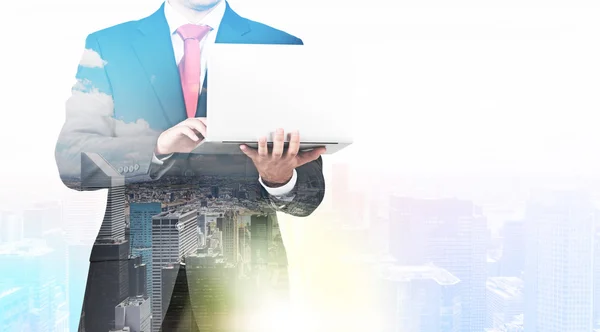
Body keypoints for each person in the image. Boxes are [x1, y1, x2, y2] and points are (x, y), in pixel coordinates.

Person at [54, 0, 326, 331]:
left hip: (245, 290)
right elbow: (73, 162)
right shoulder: (109, 46)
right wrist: (156, 146)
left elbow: (307, 198)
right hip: (132, 283)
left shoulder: (279, 47)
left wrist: (279, 178)